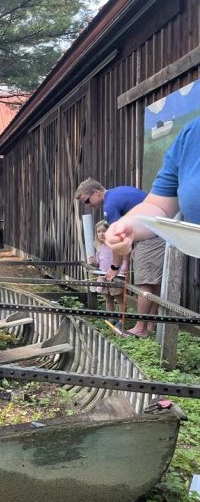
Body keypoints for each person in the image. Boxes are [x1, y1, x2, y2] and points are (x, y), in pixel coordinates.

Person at [106, 115, 200, 291]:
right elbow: (158, 205)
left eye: (87, 200)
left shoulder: (110, 203)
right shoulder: (191, 133)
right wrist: (127, 225)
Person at [75, 178, 165, 337]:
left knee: (144, 284)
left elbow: (117, 238)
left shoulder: (110, 205)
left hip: (151, 237)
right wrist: (127, 259)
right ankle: (150, 325)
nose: (89, 205)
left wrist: (114, 267)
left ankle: (140, 328)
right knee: (153, 283)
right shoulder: (119, 192)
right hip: (158, 233)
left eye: (88, 200)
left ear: (96, 192)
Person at [88, 220, 128, 314]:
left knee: (120, 300)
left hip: (116, 277)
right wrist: (93, 262)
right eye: (98, 232)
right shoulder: (100, 247)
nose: (101, 234)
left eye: (104, 231)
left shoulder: (115, 245)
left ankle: (121, 321)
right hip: (103, 276)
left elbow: (125, 260)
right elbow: (99, 264)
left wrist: (122, 272)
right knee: (108, 299)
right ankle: (111, 319)